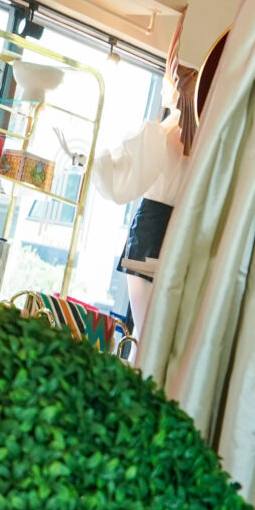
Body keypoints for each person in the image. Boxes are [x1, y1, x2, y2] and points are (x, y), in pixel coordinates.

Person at [93, 62, 198, 344]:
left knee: (143, 330)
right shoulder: (204, 137)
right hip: (180, 235)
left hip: (150, 231)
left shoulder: (163, 133)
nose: (163, 89)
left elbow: (123, 186)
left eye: (167, 83)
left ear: (177, 89)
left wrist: (98, 162)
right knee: (157, 330)